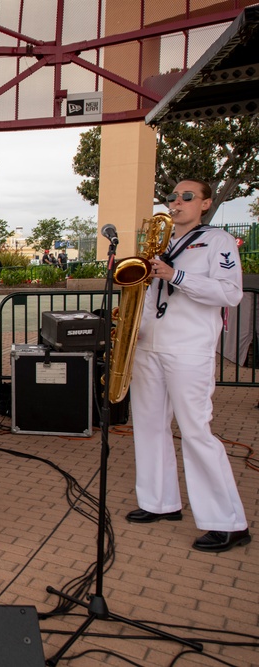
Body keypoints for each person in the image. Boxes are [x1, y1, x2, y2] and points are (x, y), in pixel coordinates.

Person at [125, 178, 250, 553]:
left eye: (187, 197)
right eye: (172, 197)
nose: (176, 203)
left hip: (189, 348)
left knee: (196, 431)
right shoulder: (162, 244)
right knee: (148, 426)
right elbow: (150, 293)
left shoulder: (218, 241)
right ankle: (159, 502)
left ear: (206, 204)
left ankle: (228, 522)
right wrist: (135, 327)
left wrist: (175, 275)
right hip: (152, 346)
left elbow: (230, 292)